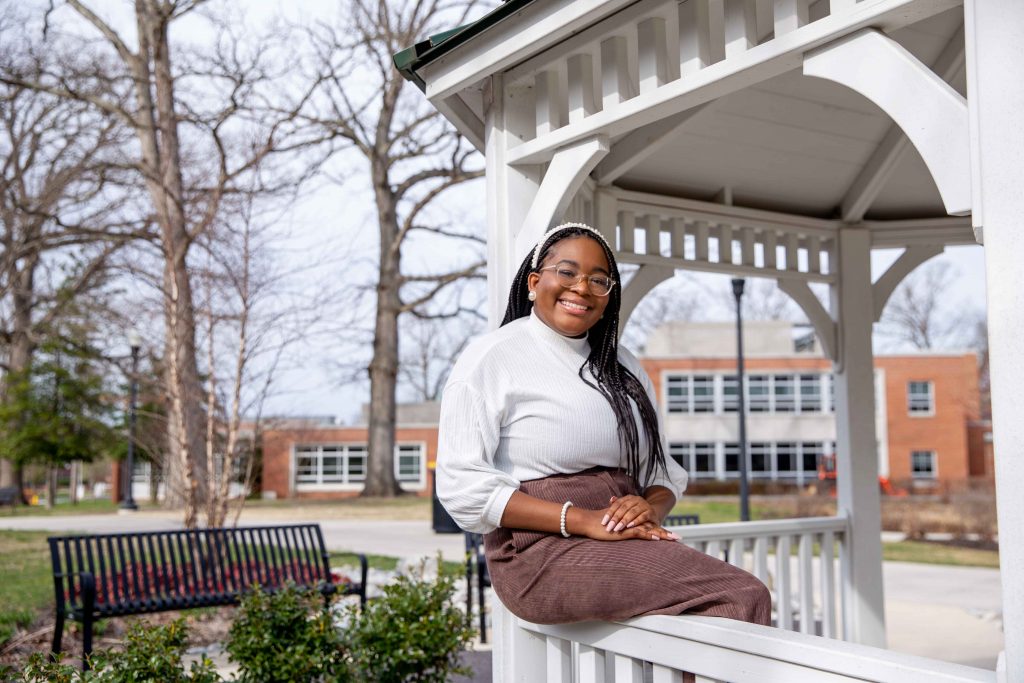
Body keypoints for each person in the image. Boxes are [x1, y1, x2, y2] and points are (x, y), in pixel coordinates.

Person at [436, 222, 771, 627]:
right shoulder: (492, 358)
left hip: (618, 536)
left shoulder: (622, 365)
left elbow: (661, 471)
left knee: (707, 614)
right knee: (739, 594)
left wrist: (647, 508)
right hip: (538, 551)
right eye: (567, 271)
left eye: (598, 279)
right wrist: (583, 520)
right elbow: (461, 487)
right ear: (534, 280)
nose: (581, 287)